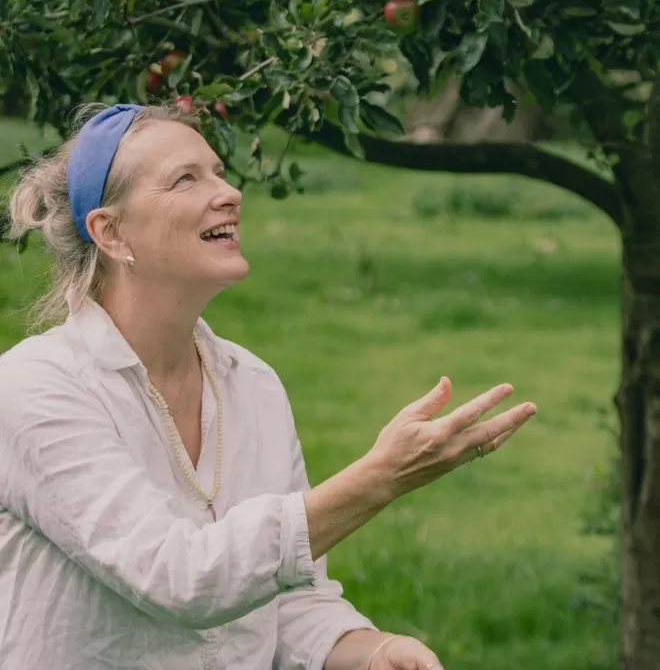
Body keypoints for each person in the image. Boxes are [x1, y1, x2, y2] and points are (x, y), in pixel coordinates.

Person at [0, 103, 537, 670]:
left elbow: (285, 600)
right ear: (110, 231)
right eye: (186, 178)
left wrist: (371, 650)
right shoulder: (36, 387)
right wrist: (380, 477)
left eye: (217, 170)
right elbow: (177, 575)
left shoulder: (251, 384)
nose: (230, 192)